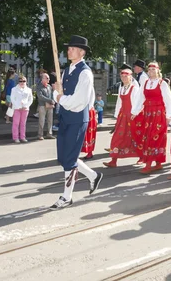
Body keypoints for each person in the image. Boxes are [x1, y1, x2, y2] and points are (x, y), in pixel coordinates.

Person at [50, 36, 103, 210]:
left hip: (77, 119)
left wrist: (60, 97)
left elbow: (80, 101)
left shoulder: (85, 73)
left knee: (70, 159)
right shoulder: (67, 70)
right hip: (66, 117)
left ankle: (67, 197)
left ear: (82, 52)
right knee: (65, 156)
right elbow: (60, 95)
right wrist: (57, 93)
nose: (69, 50)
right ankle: (93, 175)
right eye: (69, 47)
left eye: (72, 48)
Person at [131, 62, 171, 174]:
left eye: (153, 69)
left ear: (158, 71)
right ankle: (157, 163)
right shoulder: (145, 83)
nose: (151, 72)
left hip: (159, 114)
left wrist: (169, 116)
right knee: (148, 137)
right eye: (149, 69)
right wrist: (135, 112)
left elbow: (169, 101)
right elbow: (140, 98)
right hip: (148, 113)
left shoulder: (162, 83)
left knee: (155, 137)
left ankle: (149, 164)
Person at [104, 68, 140, 167]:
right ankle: (113, 160)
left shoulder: (134, 89)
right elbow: (119, 102)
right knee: (117, 137)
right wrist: (116, 116)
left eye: (126, 76)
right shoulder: (121, 87)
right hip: (122, 116)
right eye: (122, 76)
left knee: (135, 137)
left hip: (131, 116)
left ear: (130, 77)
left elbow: (137, 104)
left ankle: (141, 156)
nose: (124, 78)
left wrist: (135, 114)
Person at [10, 75, 33, 143]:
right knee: (16, 123)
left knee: (23, 123)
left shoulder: (29, 90)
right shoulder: (14, 89)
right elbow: (12, 99)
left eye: (24, 81)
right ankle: (15, 137)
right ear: (18, 82)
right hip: (17, 108)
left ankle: (23, 137)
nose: (22, 82)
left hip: (25, 108)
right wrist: (18, 106)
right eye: (21, 81)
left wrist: (26, 105)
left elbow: (30, 99)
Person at [37, 73, 55, 140]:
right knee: (41, 121)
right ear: (42, 79)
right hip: (42, 105)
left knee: (50, 120)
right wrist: (50, 100)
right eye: (47, 78)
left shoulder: (49, 86)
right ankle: (40, 135)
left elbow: (52, 94)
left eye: (49, 78)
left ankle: (49, 134)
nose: (49, 79)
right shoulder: (39, 87)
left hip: (50, 105)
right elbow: (40, 96)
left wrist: (53, 100)